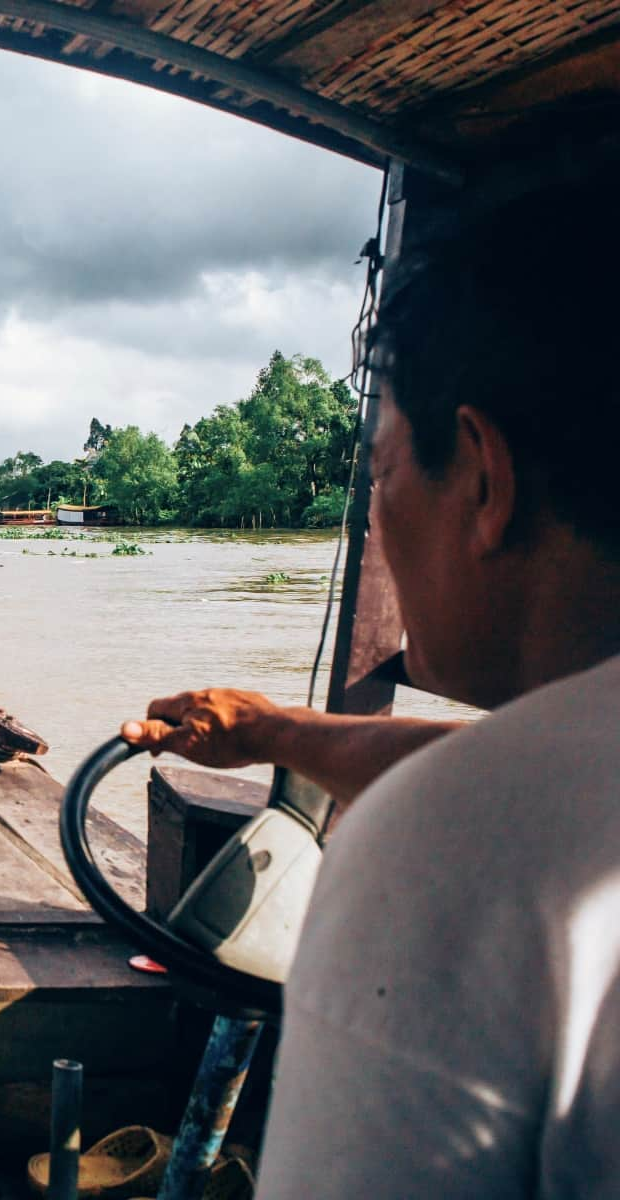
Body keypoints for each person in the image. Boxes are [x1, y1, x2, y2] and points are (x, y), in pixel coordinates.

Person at [122, 164, 620, 1197]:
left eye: (384, 471)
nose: (380, 515)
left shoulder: (454, 842)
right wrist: (278, 733)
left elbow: (492, 790)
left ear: (482, 478)